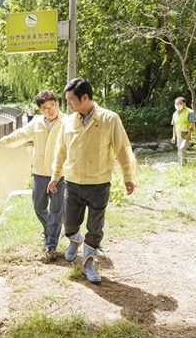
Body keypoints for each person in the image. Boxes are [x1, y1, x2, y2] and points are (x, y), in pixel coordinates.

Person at [47, 78, 136, 284]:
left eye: (71, 99)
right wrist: (55, 176)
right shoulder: (68, 122)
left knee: (95, 227)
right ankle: (74, 239)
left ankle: (88, 263)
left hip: (99, 183)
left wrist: (127, 176)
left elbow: (122, 148)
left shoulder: (110, 119)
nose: (68, 103)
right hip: (73, 182)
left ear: (84, 97)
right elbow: (60, 151)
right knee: (69, 223)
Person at [0, 90, 65, 261]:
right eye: (45, 108)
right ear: (39, 110)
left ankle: (51, 245)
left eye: (52, 106)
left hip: (60, 175)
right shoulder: (36, 124)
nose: (50, 110)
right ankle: (48, 229)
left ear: (57, 104)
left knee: (57, 211)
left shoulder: (67, 123)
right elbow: (18, 135)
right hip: (39, 173)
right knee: (39, 207)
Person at [171, 97, 196, 165]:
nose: (177, 105)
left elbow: (192, 124)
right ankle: (181, 165)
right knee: (179, 149)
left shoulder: (190, 112)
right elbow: (174, 126)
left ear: (184, 104)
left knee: (182, 148)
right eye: (176, 104)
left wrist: (188, 135)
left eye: (180, 103)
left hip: (189, 134)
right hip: (179, 134)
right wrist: (174, 137)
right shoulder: (174, 114)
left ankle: (184, 165)